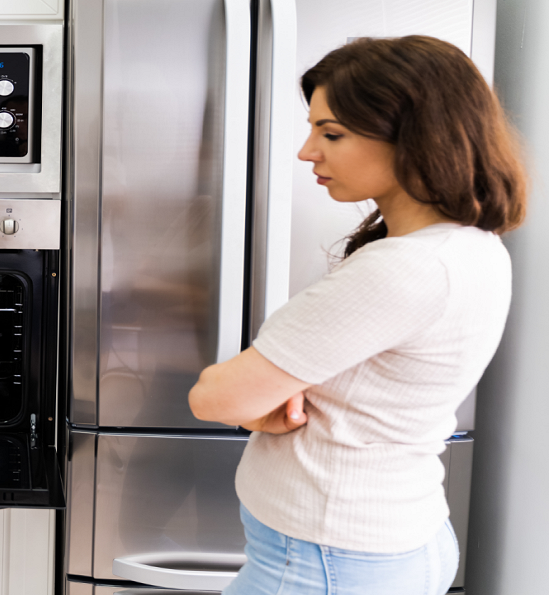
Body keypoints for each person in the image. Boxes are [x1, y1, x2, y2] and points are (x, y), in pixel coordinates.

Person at [188, 35, 527, 594]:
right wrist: (262, 399)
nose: (306, 152)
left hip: (324, 560)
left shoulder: (404, 268)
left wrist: (253, 404)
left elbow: (216, 397)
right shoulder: (470, 246)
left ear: (415, 136)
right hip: (381, 542)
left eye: (332, 133)